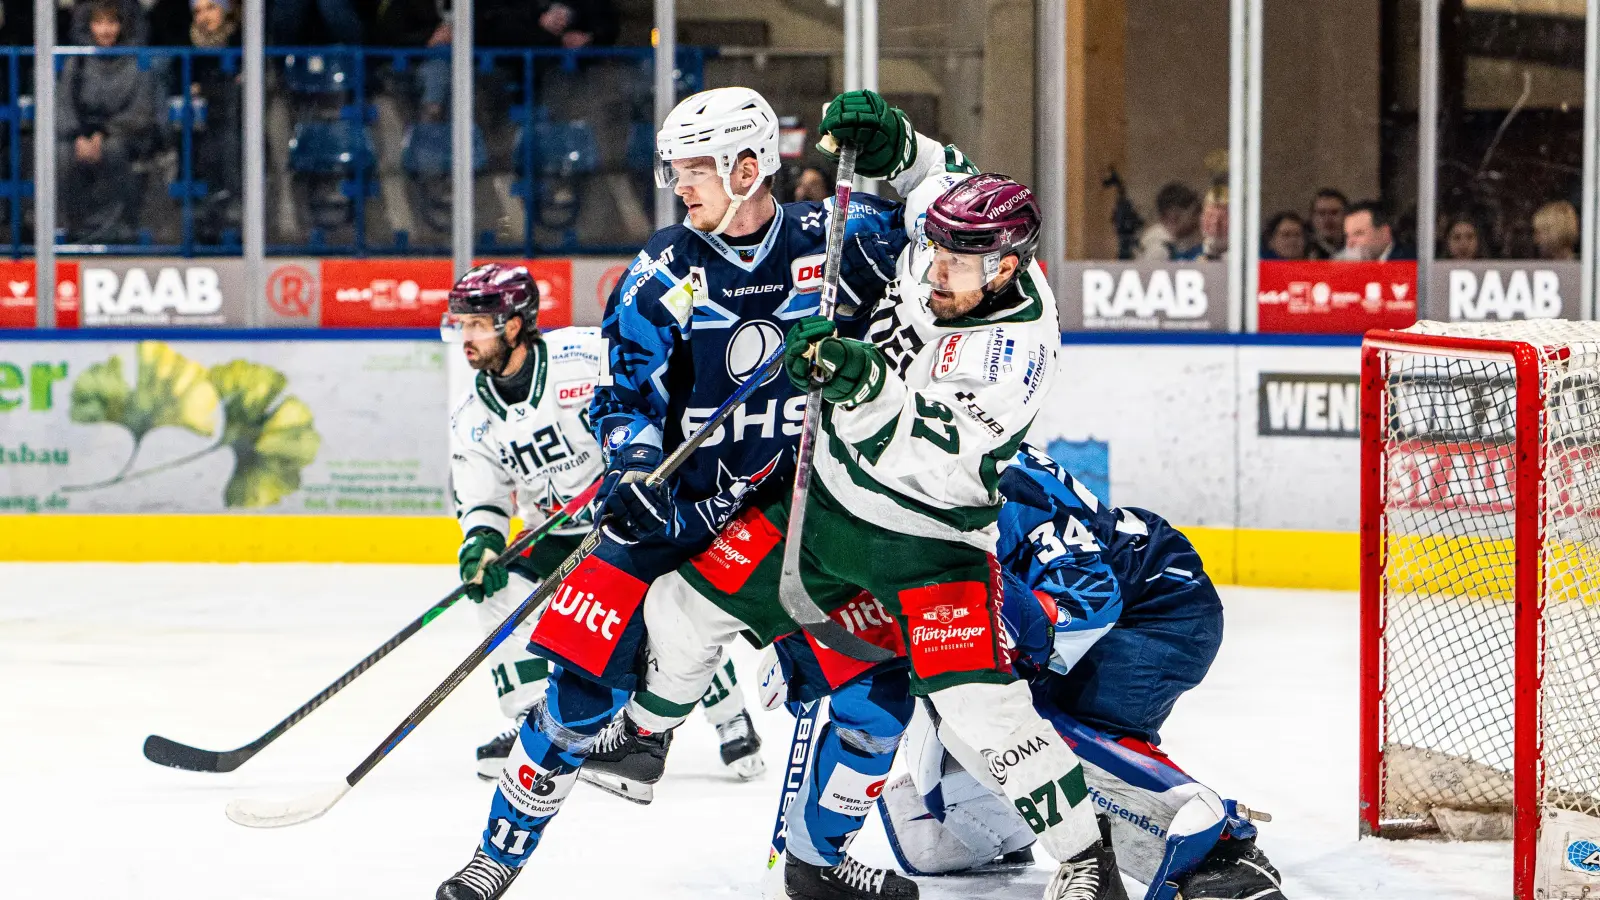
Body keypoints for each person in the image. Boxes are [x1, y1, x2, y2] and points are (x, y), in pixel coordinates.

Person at [432, 86, 942, 900]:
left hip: (797, 516)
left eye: (695, 168)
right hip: (672, 512)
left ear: (748, 167)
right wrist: (632, 465)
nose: (679, 186)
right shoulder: (664, 270)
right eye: (674, 169)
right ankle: (498, 855)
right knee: (577, 695)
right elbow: (623, 394)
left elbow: (968, 227)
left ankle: (816, 861)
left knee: (878, 695)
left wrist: (907, 153)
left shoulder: (843, 238)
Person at [609, 170, 1133, 900]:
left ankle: (1086, 861)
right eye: (935, 253)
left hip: (930, 542)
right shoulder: (950, 251)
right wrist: (898, 144)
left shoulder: (1015, 355)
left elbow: (919, 447)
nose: (935, 273)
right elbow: (936, 177)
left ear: (1006, 268)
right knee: (684, 605)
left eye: (956, 264)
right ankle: (642, 739)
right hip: (823, 505)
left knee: (982, 710)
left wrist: (858, 377)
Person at [867, 444, 1285, 900]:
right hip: (1123, 593)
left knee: (1032, 724)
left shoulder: (995, 493)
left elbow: (1089, 599)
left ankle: (1220, 853)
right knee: (965, 714)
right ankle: (999, 823)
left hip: (1156, 612)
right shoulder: (954, 459)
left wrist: (995, 613)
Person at [442, 262, 764, 783]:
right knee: (497, 595)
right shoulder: (471, 416)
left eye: (477, 325)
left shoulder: (581, 356)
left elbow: (646, 390)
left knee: (668, 618)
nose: (467, 338)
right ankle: (533, 721)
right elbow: (483, 496)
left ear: (515, 324)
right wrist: (481, 542)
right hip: (554, 534)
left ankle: (730, 717)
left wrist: (636, 465)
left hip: (625, 520)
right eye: (462, 325)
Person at [57, 0, 156, 243]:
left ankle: (115, 230)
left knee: (113, 150)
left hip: (122, 134)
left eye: (111, 22)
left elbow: (141, 111)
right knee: (62, 154)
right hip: (81, 133)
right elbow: (63, 104)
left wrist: (105, 134)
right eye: (98, 23)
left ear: (122, 26)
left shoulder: (137, 62)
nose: (105, 30)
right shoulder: (76, 62)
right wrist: (79, 136)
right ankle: (74, 228)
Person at [1137, 182, 1201, 261]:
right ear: (1173, 216)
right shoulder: (1159, 250)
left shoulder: (1178, 243)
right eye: (1194, 213)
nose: (1199, 219)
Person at [1339, 200, 1412, 262]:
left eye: (1358, 234)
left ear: (1385, 233)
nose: (1350, 243)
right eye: (1347, 236)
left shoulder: (1410, 263)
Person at [1305, 188, 1346, 260]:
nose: (1327, 219)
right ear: (1312, 218)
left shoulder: (1356, 249)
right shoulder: (1303, 253)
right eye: (1321, 213)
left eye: (1334, 213)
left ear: (1346, 216)